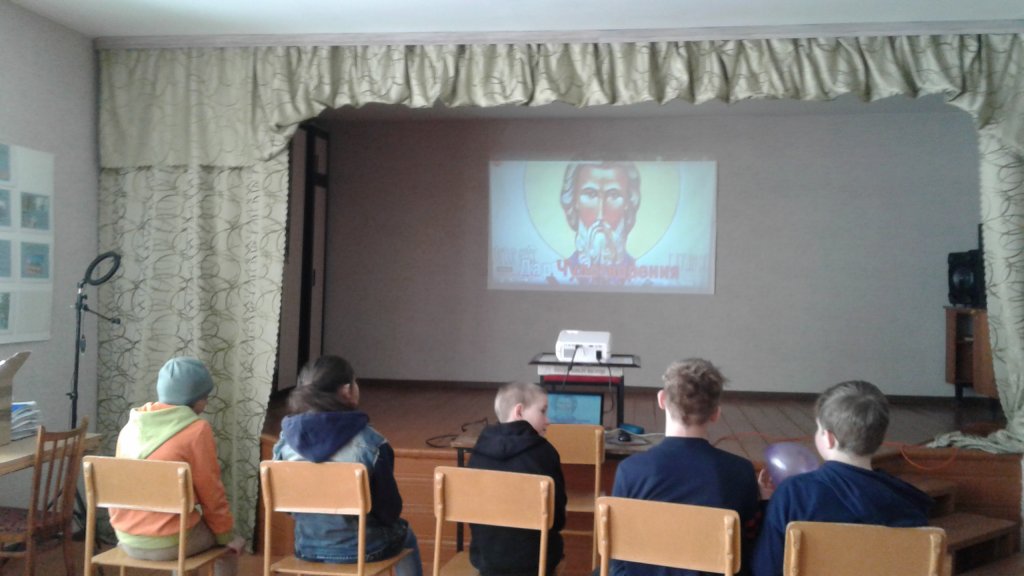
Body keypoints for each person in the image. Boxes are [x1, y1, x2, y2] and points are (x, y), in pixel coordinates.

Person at [750, 380, 933, 576]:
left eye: (818, 428)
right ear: (880, 437)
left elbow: (766, 570)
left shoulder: (793, 493)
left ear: (829, 438)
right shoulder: (909, 503)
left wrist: (770, 505)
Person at [272, 355, 422, 576]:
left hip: (307, 547)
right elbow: (389, 511)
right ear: (346, 391)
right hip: (365, 548)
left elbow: (287, 507)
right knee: (406, 536)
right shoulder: (372, 443)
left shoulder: (285, 443)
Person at [611, 358, 760, 576]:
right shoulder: (741, 471)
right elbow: (747, 545)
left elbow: (617, 547)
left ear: (662, 399)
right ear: (716, 413)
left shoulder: (630, 470)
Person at [110, 357, 245, 575]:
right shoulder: (197, 429)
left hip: (125, 538)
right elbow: (210, 491)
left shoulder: (130, 427)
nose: (206, 403)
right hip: (170, 543)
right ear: (195, 399)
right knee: (229, 543)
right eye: (205, 397)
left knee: (187, 527)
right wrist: (226, 535)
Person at [468, 381, 568, 576]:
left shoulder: (478, 452)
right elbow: (557, 520)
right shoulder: (544, 452)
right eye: (542, 411)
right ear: (519, 411)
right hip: (535, 563)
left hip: (487, 560)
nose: (547, 420)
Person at [560, 161, 642, 276]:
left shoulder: (640, 276)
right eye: (590, 194)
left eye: (613, 195)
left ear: (627, 203)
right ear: (575, 201)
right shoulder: (559, 274)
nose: (600, 215)